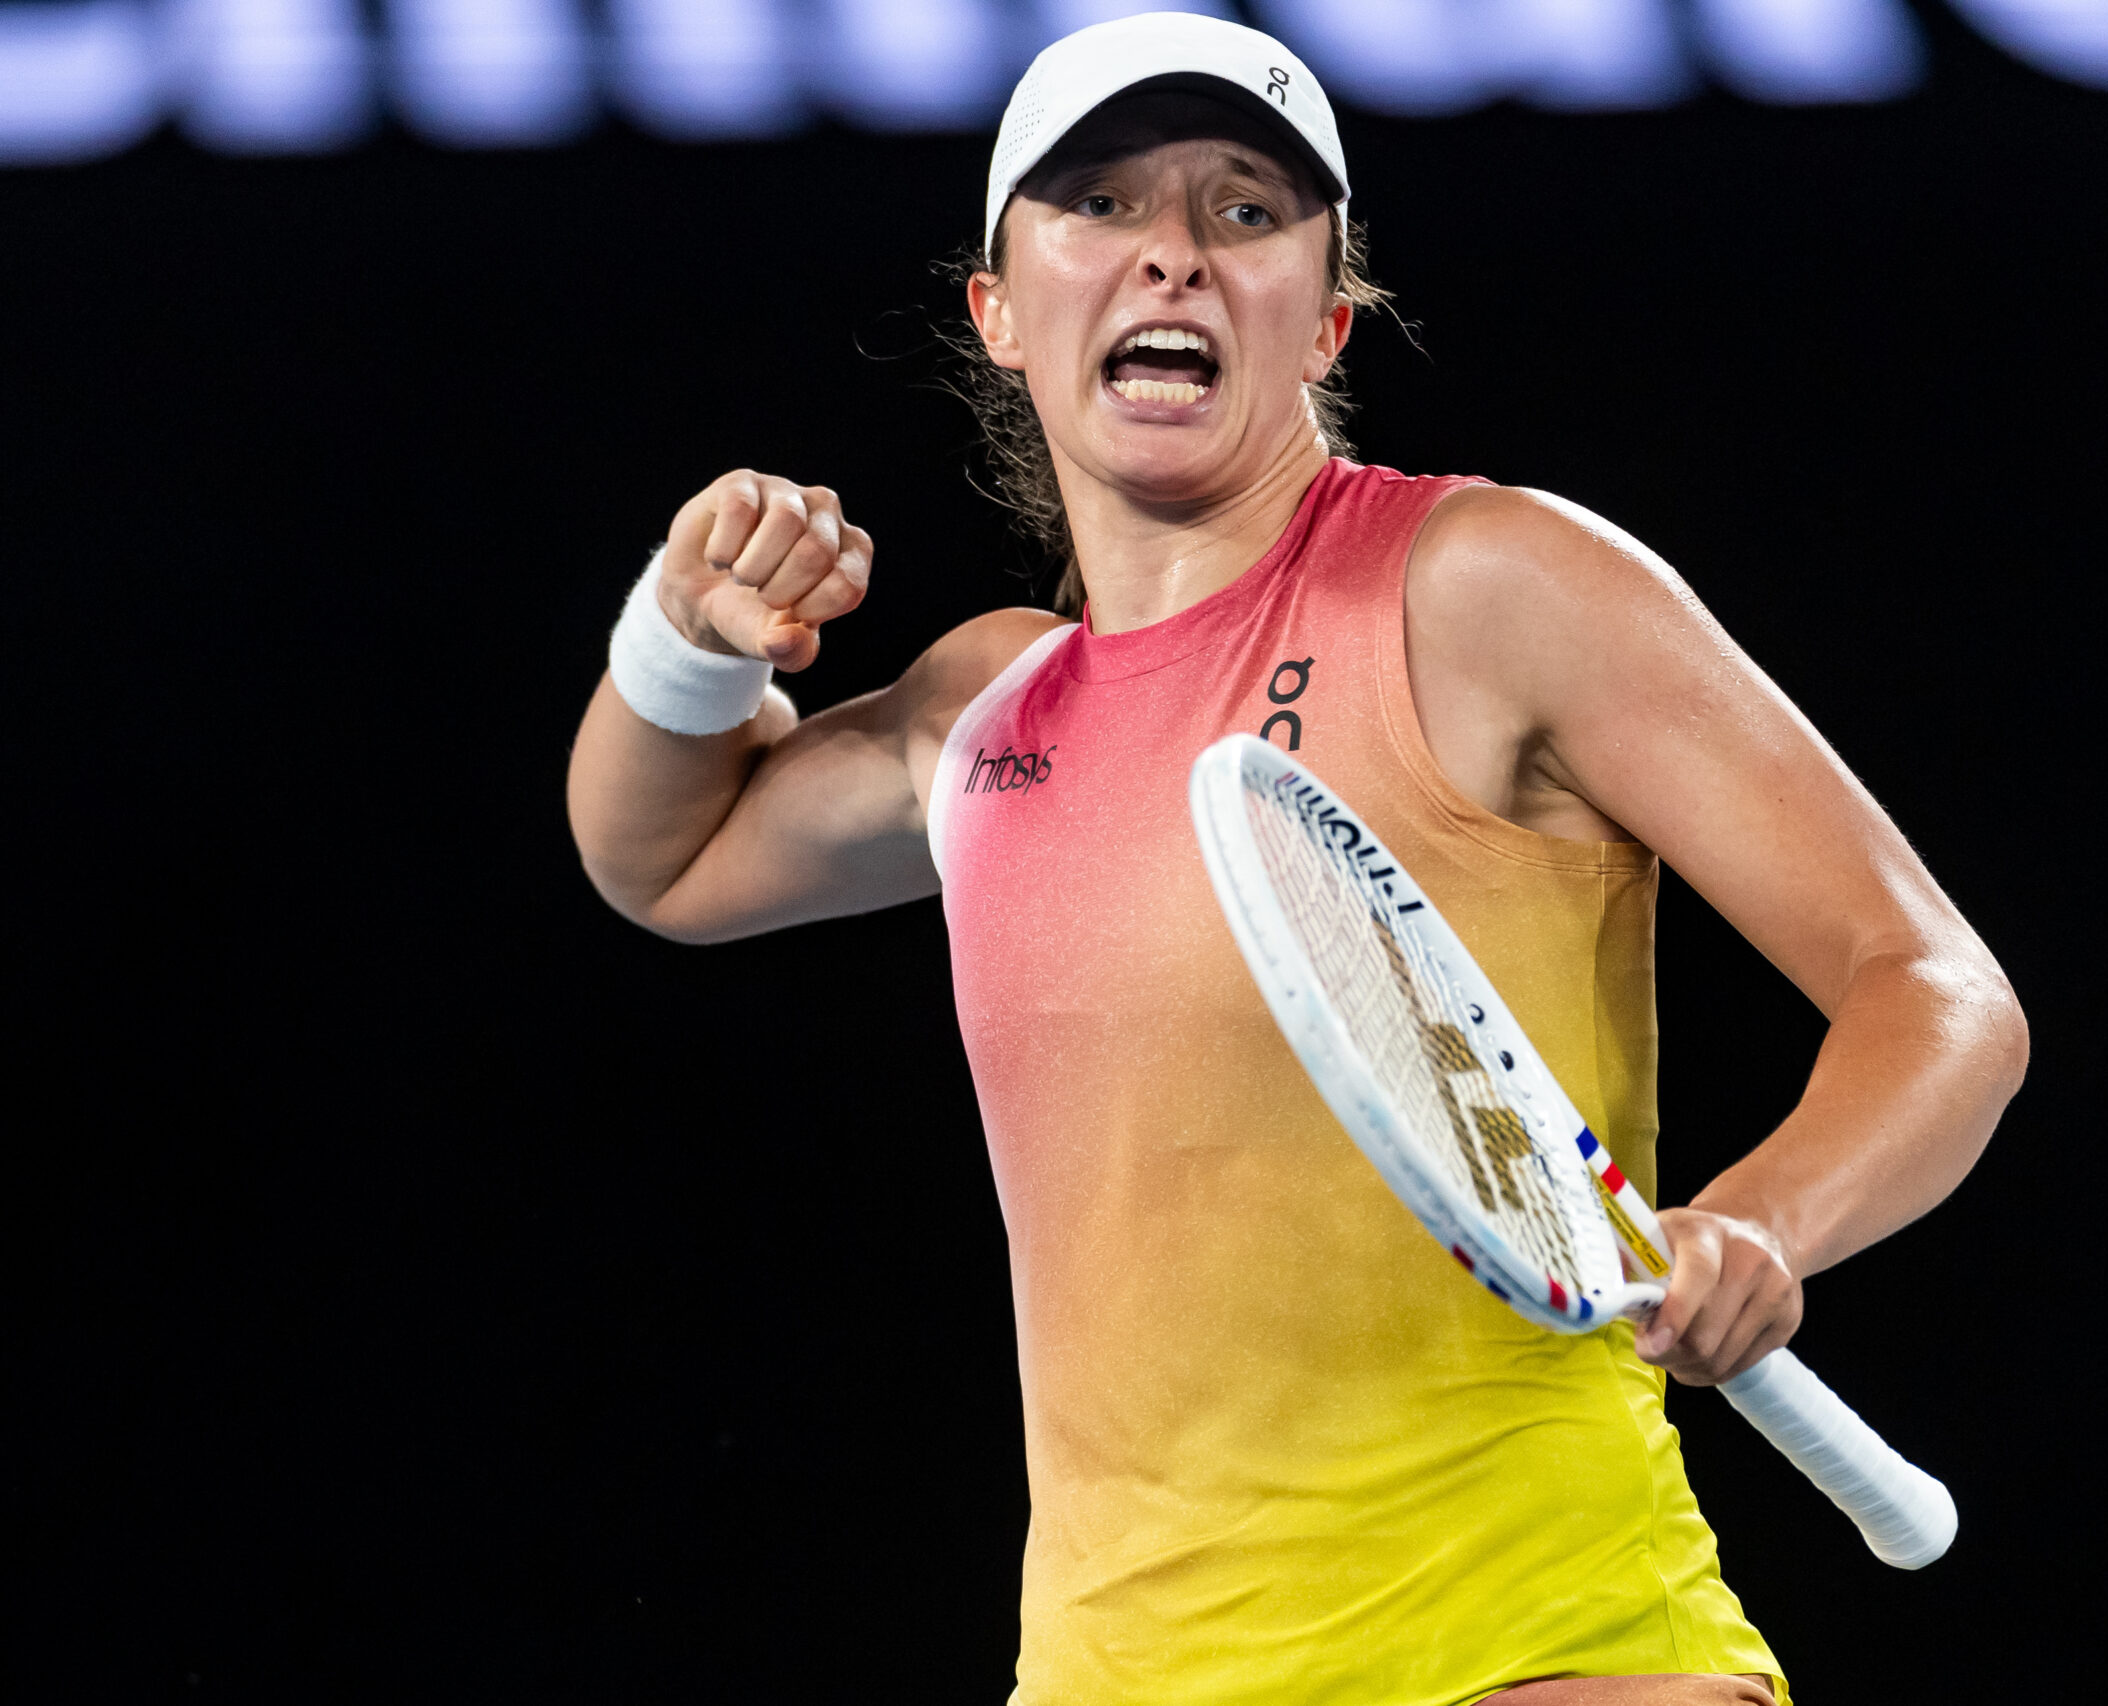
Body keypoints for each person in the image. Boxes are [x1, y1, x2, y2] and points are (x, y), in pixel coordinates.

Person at [565, 14, 2027, 1704]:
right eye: (1099, 203)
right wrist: (686, 636)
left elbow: (1938, 990)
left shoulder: (1488, 585)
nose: (1173, 251)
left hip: (1544, 1652)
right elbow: (659, 858)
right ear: (998, 307)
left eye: (1246, 211)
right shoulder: (985, 704)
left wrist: (1765, 1226)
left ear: (1325, 317)